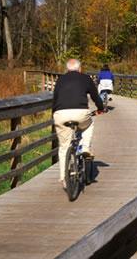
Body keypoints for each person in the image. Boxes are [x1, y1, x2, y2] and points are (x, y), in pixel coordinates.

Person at [52, 59, 104, 189]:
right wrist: (100, 108)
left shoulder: (60, 80)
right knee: (88, 125)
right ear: (80, 69)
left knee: (64, 147)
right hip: (80, 113)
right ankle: (85, 147)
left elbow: (55, 98)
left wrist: (55, 114)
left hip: (60, 114)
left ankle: (64, 179)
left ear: (67, 69)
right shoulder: (86, 78)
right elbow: (95, 96)